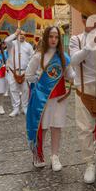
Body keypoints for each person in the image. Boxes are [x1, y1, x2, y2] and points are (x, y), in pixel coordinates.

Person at [26, 26, 75, 170]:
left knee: (56, 126)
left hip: (59, 97)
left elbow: (70, 75)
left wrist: (82, 74)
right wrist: (40, 89)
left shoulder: (63, 57)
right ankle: (38, 154)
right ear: (46, 38)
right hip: (43, 99)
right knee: (43, 127)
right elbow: (29, 75)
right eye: (51, 36)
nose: (53, 39)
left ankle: (55, 156)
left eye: (56, 37)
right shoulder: (38, 56)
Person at [69, 14, 96, 184]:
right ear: (84, 21)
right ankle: (89, 163)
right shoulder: (75, 39)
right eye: (88, 19)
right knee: (85, 130)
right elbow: (74, 60)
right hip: (84, 90)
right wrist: (90, 44)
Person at [5, 29, 33, 117]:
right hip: (13, 71)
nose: (22, 36)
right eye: (20, 34)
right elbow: (6, 40)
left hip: (25, 72)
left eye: (24, 34)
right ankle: (15, 108)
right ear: (17, 35)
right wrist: (15, 33)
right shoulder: (12, 44)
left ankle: (24, 107)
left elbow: (32, 58)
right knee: (13, 90)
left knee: (25, 90)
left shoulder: (28, 46)